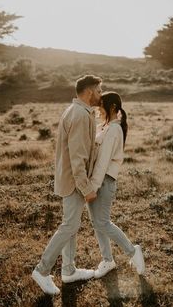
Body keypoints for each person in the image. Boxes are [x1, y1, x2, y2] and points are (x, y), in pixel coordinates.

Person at [32, 75, 102, 295]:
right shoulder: (80, 115)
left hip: (70, 180)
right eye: (99, 91)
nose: (101, 95)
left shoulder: (74, 110)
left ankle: (69, 271)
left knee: (71, 224)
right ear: (90, 92)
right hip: (74, 182)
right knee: (69, 226)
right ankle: (42, 270)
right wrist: (86, 188)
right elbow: (77, 158)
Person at [86, 91, 145, 278]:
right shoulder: (106, 127)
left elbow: (103, 162)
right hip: (97, 181)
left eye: (101, 105)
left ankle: (132, 251)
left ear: (112, 107)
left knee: (103, 222)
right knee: (97, 223)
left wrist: (92, 187)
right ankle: (107, 260)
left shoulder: (113, 130)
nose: (98, 109)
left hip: (103, 182)